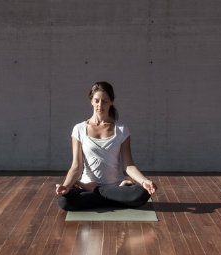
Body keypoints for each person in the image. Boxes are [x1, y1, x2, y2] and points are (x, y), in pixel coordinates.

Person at [55, 81, 158, 211]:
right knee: (64, 201)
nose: (100, 105)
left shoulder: (121, 129)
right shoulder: (79, 129)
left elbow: (129, 165)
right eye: (97, 101)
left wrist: (144, 181)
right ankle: (109, 197)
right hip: (91, 186)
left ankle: (96, 191)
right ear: (91, 101)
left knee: (142, 193)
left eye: (104, 101)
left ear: (111, 102)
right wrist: (66, 186)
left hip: (115, 186)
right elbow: (76, 166)